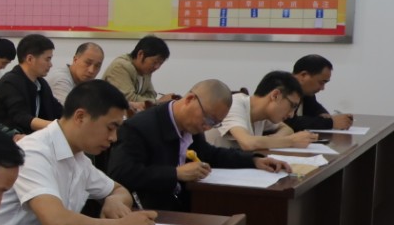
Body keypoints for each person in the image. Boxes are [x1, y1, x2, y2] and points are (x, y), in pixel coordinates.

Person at [0, 80, 158, 225]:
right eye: (110, 127)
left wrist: (114, 200)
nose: (114, 138)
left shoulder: (79, 159)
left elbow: (119, 190)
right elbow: (57, 223)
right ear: (80, 117)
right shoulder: (33, 152)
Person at [107, 79, 291, 211]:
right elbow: (120, 173)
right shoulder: (139, 127)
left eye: (215, 123)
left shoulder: (192, 125)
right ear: (189, 99)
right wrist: (175, 173)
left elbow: (209, 154)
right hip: (151, 209)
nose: (207, 126)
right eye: (208, 119)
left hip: (183, 202)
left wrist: (254, 160)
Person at [210, 72, 318, 152]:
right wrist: (291, 141)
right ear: (275, 95)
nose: (291, 115)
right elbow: (248, 143)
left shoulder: (263, 113)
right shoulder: (234, 104)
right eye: (292, 106)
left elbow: (287, 129)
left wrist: (269, 141)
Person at [0, 34, 62, 132]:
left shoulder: (41, 84)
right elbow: (21, 118)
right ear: (30, 59)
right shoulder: (9, 83)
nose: (50, 64)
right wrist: (60, 126)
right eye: (47, 59)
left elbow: (58, 110)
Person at [102, 35, 175, 111]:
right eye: (155, 62)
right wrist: (159, 101)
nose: (157, 67)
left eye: (160, 63)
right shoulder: (120, 66)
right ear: (140, 54)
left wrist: (145, 99)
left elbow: (152, 94)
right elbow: (129, 99)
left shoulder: (145, 70)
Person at [286, 55, 354, 132]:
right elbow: (288, 122)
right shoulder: (283, 90)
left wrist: (325, 115)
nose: (322, 88)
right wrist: (330, 123)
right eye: (321, 82)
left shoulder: (306, 92)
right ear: (303, 75)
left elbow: (315, 108)